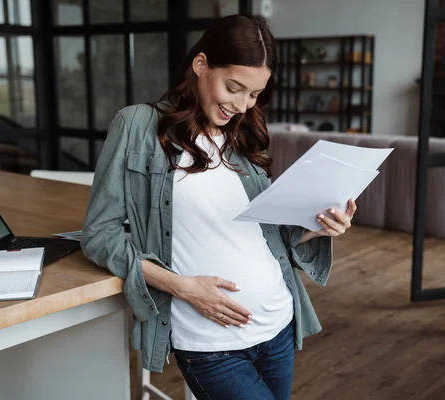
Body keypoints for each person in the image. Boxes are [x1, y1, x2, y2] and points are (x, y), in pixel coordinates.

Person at [81, 14, 357, 400]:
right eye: (234, 87)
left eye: (255, 95)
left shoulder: (243, 137)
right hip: (209, 342)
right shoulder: (138, 126)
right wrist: (183, 287)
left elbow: (269, 234)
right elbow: (99, 235)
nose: (243, 105)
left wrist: (319, 225)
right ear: (201, 65)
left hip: (277, 324)